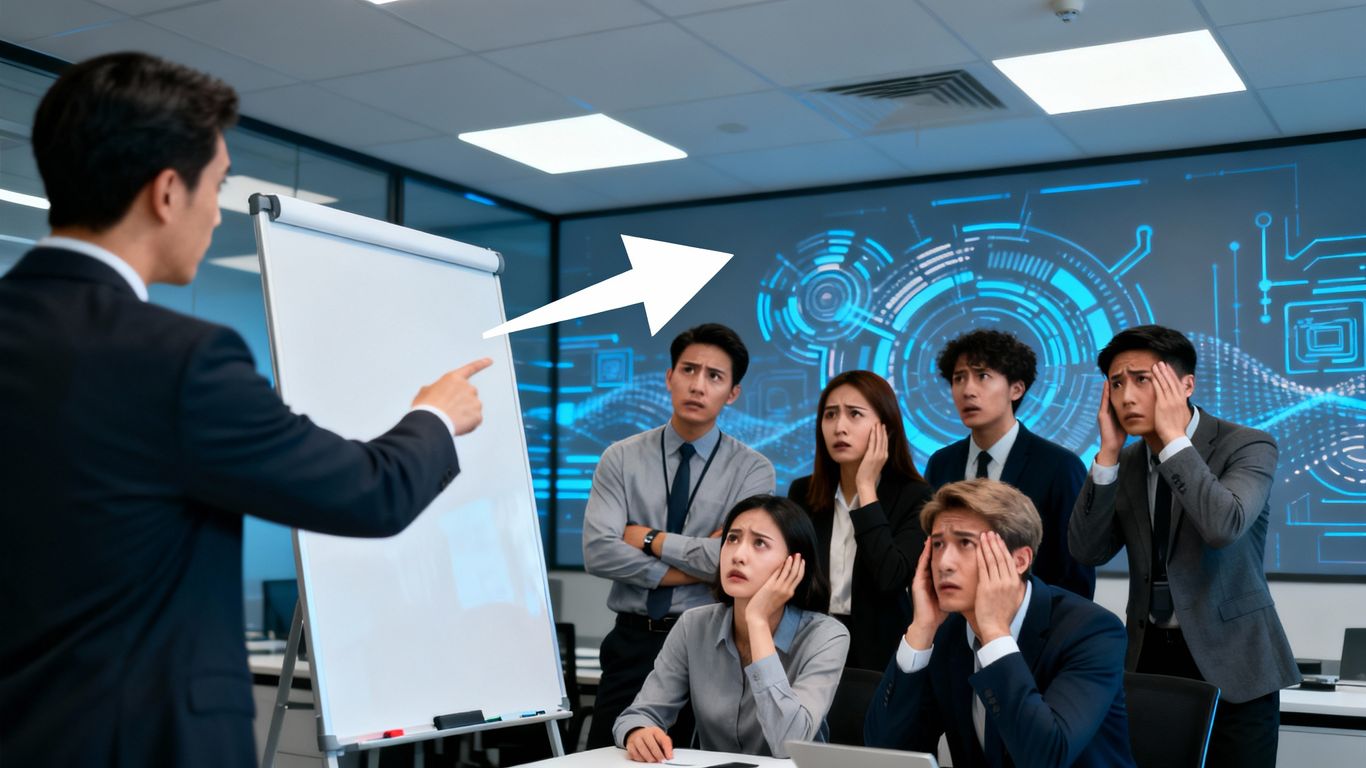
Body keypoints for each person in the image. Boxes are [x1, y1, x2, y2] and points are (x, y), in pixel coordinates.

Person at [0, 53, 491, 767]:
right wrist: (435, 415)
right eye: (218, 184)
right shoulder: (177, 360)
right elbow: (369, 491)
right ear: (167, 192)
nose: (215, 209)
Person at [1068, 324, 1298, 768]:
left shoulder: (1248, 445)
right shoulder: (1128, 462)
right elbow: (1086, 550)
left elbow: (1222, 526)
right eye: (1117, 383)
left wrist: (1174, 442)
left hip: (1236, 666)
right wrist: (1107, 457)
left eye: (1143, 380)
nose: (1127, 396)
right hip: (1148, 660)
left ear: (1185, 385)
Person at [582, 323, 776, 749]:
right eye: (688, 370)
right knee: (606, 757)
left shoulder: (752, 470)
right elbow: (599, 553)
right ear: (668, 377)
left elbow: (734, 560)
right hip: (632, 639)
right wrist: (699, 566)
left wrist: (649, 538)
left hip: (710, 645)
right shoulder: (621, 458)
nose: (698, 385)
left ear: (732, 394)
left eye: (714, 376)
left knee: (689, 760)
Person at [864, 480, 1134, 768]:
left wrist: (994, 634)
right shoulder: (946, 634)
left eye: (965, 543)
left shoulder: (1092, 631)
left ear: (1019, 561)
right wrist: (920, 630)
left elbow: (1045, 758)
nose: (944, 563)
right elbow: (887, 751)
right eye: (939, 544)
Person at [615, 495, 850, 760]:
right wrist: (638, 732)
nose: (738, 555)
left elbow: (788, 743)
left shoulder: (827, 636)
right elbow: (639, 714)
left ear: (795, 564)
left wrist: (757, 622)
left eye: (759, 543)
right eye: (732, 539)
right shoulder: (693, 625)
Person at [925, 329, 1094, 598]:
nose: (968, 390)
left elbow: (1074, 575)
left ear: (1016, 388)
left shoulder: (1060, 466)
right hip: (954, 626)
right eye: (959, 378)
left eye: (983, 376)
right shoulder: (941, 464)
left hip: (1029, 628)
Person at [787, 370, 932, 671]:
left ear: (886, 428)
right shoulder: (802, 492)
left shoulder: (915, 496)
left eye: (854, 414)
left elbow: (890, 577)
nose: (839, 427)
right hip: (807, 644)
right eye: (830, 415)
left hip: (878, 652)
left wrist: (866, 488)